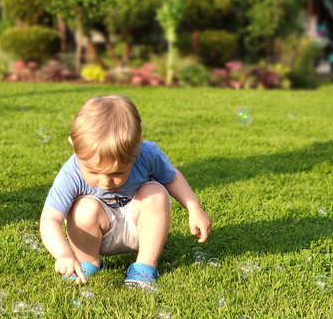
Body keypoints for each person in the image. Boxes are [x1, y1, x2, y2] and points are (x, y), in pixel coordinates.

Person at [39, 94, 211, 286]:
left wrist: (194, 209)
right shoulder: (71, 173)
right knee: (83, 207)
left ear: (138, 147)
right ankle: (88, 262)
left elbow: (172, 178)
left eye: (117, 172)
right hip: (97, 233)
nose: (105, 182)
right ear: (74, 146)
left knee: (155, 192)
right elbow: (50, 219)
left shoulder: (147, 155)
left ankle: (145, 266)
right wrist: (63, 254)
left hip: (140, 228)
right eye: (94, 171)